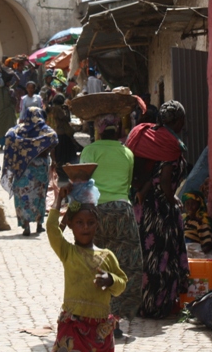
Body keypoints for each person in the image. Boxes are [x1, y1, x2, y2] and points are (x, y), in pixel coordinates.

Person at [124, 100, 190, 318]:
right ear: (178, 121)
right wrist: (172, 199)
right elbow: (164, 179)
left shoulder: (148, 136)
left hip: (143, 209)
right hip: (160, 210)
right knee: (162, 258)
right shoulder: (168, 143)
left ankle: (142, 303)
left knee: (146, 256)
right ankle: (158, 305)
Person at [47, 181, 127, 352]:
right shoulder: (68, 252)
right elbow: (52, 228)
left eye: (90, 222)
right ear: (70, 224)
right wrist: (59, 198)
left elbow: (122, 284)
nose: (85, 227)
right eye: (79, 222)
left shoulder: (107, 256)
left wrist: (111, 280)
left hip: (100, 331)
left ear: (97, 224)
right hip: (72, 327)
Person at [82, 114, 141, 333]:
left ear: (99, 130)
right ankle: (114, 319)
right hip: (122, 212)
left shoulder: (90, 151)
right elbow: (127, 184)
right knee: (124, 266)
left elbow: (82, 182)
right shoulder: (127, 153)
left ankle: (94, 317)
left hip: (95, 213)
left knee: (94, 265)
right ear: (116, 131)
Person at [2, 107, 58, 236]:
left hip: (22, 170)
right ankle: (39, 225)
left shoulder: (17, 131)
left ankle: (26, 225)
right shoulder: (45, 130)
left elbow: (9, 137)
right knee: (40, 195)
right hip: (40, 168)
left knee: (22, 196)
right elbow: (54, 139)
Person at [47, 94, 77, 175]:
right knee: (64, 152)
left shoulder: (52, 109)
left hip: (57, 132)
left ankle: (60, 168)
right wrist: (67, 111)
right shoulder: (58, 109)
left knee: (59, 152)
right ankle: (63, 168)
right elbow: (66, 119)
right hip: (62, 132)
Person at [0, 67, 18, 146]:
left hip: (10, 112)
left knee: (11, 127)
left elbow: (18, 81)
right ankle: (2, 144)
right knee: (1, 128)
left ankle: (10, 142)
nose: (9, 83)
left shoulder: (11, 90)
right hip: (2, 111)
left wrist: (14, 74)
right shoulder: (1, 90)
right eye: (8, 82)